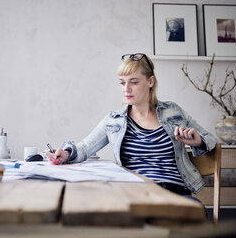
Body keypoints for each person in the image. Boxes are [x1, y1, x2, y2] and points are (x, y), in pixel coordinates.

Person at [46, 53, 217, 196]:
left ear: (150, 82)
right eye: (122, 82)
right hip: (133, 192)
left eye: (133, 82)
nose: (126, 89)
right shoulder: (113, 121)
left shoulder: (173, 112)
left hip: (174, 192)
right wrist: (65, 153)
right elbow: (84, 148)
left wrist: (198, 141)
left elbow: (210, 140)